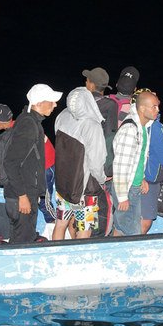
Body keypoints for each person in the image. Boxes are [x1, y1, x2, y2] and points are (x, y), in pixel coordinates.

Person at [3, 83, 62, 244]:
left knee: (23, 238)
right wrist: (23, 196)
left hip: (27, 193)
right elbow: (11, 162)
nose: (55, 104)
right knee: (23, 241)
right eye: (51, 101)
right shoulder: (29, 126)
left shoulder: (30, 120)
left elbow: (29, 162)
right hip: (21, 196)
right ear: (38, 103)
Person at [52, 87, 107, 240]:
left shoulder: (62, 116)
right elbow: (96, 161)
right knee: (85, 228)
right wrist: (102, 179)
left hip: (63, 185)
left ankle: (56, 257)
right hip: (84, 190)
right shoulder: (92, 125)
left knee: (61, 223)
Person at [111, 90, 160, 236]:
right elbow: (120, 166)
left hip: (134, 186)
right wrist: (122, 197)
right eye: (154, 107)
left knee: (121, 229)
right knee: (134, 234)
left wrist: (142, 177)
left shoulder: (143, 128)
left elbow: (137, 159)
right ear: (142, 108)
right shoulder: (130, 130)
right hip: (126, 189)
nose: (157, 110)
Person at [83, 66, 116, 236]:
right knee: (99, 207)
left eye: (87, 80)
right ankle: (95, 237)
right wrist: (108, 169)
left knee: (83, 210)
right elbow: (109, 138)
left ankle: (83, 236)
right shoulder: (109, 105)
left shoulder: (78, 105)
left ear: (91, 85)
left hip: (78, 166)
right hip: (97, 166)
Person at [140, 113, 163, 234]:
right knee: (145, 221)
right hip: (148, 179)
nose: (158, 109)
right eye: (154, 105)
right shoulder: (155, 127)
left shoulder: (130, 123)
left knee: (127, 221)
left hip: (137, 178)